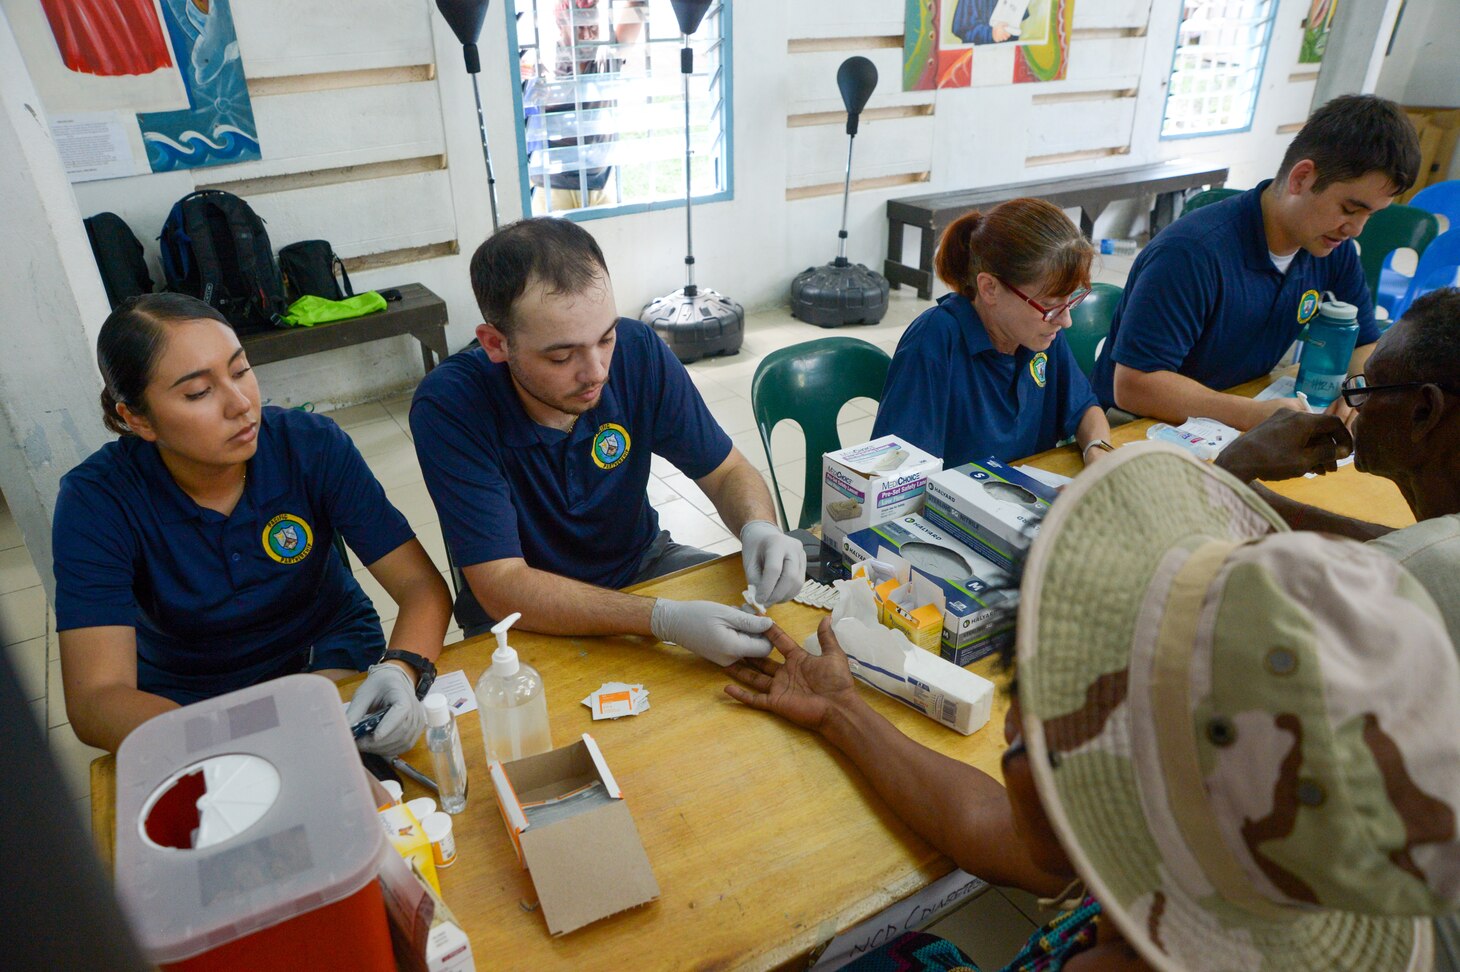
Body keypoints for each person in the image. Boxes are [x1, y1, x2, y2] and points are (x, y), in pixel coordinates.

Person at [727, 444, 1460, 971]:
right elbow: (996, 830)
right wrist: (845, 714)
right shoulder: (1223, 867)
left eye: (1036, 729)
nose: (1013, 731)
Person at [52, 294, 453, 755]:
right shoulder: (98, 501)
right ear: (137, 418)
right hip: (189, 702)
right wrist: (230, 741)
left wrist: (399, 670)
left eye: (241, 370)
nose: (241, 403)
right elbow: (96, 699)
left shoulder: (310, 447)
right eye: (199, 392)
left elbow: (421, 586)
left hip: (324, 657)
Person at [410, 217, 805, 667]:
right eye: (562, 355)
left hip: (642, 567)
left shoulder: (638, 351)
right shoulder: (450, 405)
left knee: (782, 649)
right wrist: (663, 619)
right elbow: (502, 583)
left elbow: (728, 470)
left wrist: (760, 527)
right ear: (496, 344)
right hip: (517, 616)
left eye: (606, 338)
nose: (596, 371)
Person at [1091, 94, 1422, 430]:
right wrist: (1251, 415)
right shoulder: (1191, 253)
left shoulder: (1332, 249)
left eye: (1371, 215)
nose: (1356, 229)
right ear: (1301, 178)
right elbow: (1134, 386)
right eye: (1349, 209)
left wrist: (1359, 395)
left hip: (1228, 418)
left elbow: (1364, 343)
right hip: (1135, 428)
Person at [1213, 287, 1460, 646]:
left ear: (1424, 411)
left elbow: (1204, 626)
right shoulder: (1432, 550)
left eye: (1370, 387)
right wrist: (1254, 499)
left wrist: (1229, 467)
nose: (1354, 404)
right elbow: (1411, 546)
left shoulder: (1402, 578)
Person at [871, 197, 1115, 468]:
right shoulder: (935, 340)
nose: (1066, 320)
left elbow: (1084, 408)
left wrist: (1098, 452)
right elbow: (899, 473)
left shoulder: (1041, 333)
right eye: (1047, 305)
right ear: (989, 288)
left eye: (1070, 301)